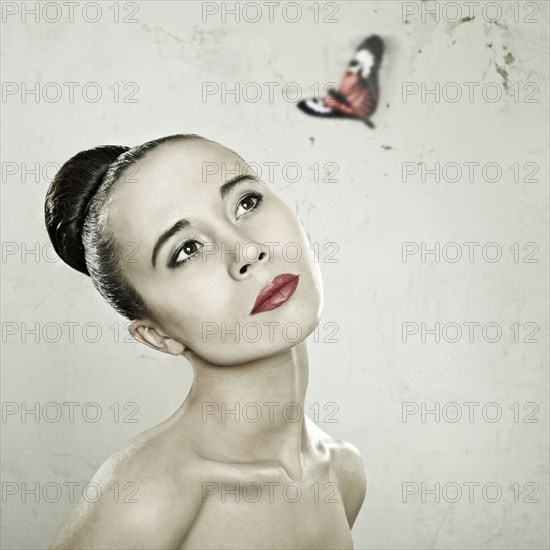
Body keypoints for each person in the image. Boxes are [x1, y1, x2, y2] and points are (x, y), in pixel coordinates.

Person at [45, 133, 366, 549]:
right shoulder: (148, 498)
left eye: (246, 203)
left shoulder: (343, 473)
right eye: (188, 249)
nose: (247, 250)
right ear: (157, 334)